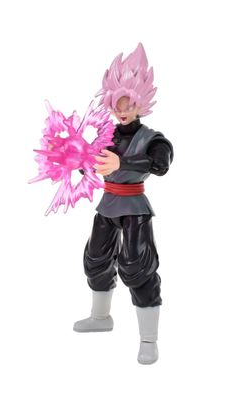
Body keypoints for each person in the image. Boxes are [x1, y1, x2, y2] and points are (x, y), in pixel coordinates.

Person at [73, 43, 173, 365]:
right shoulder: (107, 135)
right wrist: (78, 158)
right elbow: (90, 163)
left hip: (134, 208)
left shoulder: (152, 138)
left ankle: (149, 340)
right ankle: (101, 318)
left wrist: (122, 163)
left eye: (128, 104)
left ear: (141, 101)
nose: (122, 109)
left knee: (137, 266)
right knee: (96, 259)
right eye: (117, 104)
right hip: (107, 205)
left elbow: (160, 163)